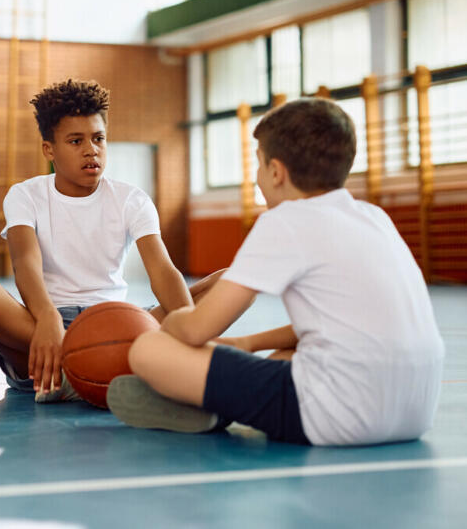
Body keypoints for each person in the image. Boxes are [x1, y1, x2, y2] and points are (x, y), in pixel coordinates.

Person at [107, 98, 445, 446]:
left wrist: (167, 324)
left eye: (258, 164)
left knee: (147, 349)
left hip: (339, 417)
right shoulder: (374, 218)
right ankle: (215, 399)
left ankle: (206, 402)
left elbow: (195, 330)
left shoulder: (284, 220)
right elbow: (345, 322)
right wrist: (247, 342)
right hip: (414, 413)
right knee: (284, 357)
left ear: (276, 172)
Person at [0, 79, 220, 402]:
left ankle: (87, 371)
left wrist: (188, 335)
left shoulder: (131, 199)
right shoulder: (25, 195)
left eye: (98, 139)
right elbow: (26, 263)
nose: (91, 149)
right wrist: (49, 318)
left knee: (229, 281)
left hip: (118, 324)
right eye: (76, 141)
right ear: (49, 149)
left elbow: (163, 272)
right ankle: (98, 368)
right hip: (44, 325)